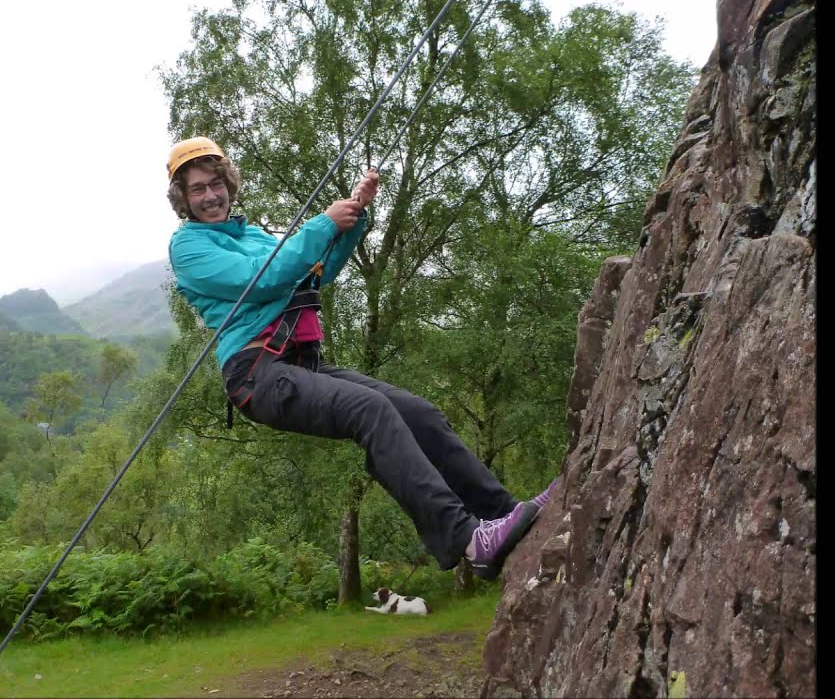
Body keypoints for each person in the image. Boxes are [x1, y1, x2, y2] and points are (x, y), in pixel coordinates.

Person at [165, 137, 560, 580]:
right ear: (183, 198)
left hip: (300, 364)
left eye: (216, 184)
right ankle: (468, 540)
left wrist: (350, 221)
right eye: (197, 189)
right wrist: (321, 225)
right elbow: (262, 280)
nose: (210, 196)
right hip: (257, 372)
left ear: (229, 184)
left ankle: (505, 516)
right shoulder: (188, 248)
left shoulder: (251, 235)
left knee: (420, 414)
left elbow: (314, 273)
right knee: (368, 410)